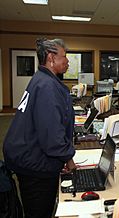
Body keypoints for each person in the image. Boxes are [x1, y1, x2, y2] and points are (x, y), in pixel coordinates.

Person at [3, 38, 76, 218]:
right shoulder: (47, 86)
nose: (67, 61)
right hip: (34, 164)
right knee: (39, 212)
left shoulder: (41, 78)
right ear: (51, 58)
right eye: (64, 57)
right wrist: (68, 158)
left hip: (26, 155)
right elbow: (51, 135)